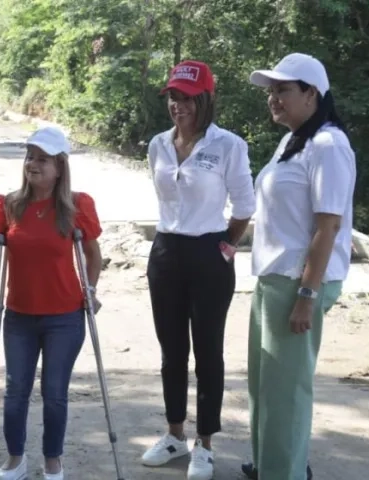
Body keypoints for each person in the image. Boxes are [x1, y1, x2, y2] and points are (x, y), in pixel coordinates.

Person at [0, 126, 103, 480]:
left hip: (65, 316)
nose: (33, 164)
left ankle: (52, 460)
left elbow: (91, 252)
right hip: (19, 317)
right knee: (15, 391)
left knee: (55, 392)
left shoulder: (77, 207)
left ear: (59, 167)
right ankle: (16, 459)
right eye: (29, 156)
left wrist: (91, 289)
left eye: (42, 159)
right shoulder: (9, 205)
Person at [140, 60, 256, 480]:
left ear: (205, 99)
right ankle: (174, 434)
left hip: (210, 252)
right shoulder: (158, 144)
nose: (178, 105)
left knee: (208, 352)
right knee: (172, 350)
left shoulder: (228, 145)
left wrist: (226, 245)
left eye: (187, 98)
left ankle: (204, 444)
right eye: (173, 97)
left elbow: (245, 206)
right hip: (167, 251)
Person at [241, 53, 355, 480]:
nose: (273, 98)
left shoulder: (328, 144)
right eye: (271, 91)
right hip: (273, 280)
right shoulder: (294, 141)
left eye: (283, 89)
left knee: (286, 392)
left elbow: (327, 227)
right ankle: (270, 465)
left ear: (312, 93)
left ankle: (284, 473)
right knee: (265, 386)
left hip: (298, 284)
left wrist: (307, 295)